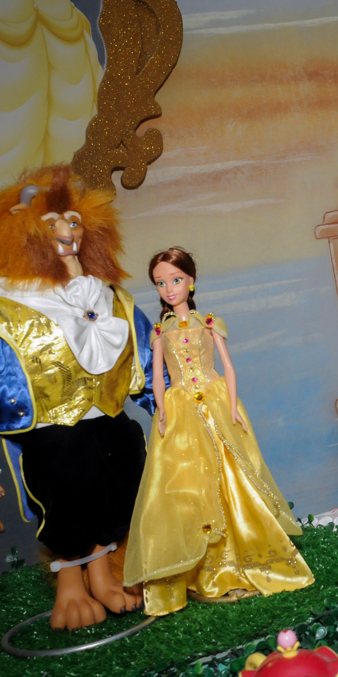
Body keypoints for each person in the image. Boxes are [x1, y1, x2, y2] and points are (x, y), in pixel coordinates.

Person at [0, 165, 152, 630]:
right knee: (66, 499)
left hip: (110, 423)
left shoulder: (109, 301)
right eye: (51, 223)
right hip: (51, 437)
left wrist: (184, 406)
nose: (67, 232)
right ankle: (70, 584)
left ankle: (103, 574)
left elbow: (149, 358)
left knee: (122, 483)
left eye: (74, 221)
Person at [123, 248, 313, 616]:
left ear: (191, 281)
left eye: (175, 280)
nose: (169, 289)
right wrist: (162, 411)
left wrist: (232, 407)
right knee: (187, 482)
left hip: (214, 402)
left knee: (233, 475)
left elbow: (228, 367)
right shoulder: (160, 332)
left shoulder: (209, 323)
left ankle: (246, 556)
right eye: (160, 283)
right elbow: (158, 377)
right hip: (180, 411)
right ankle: (204, 569)